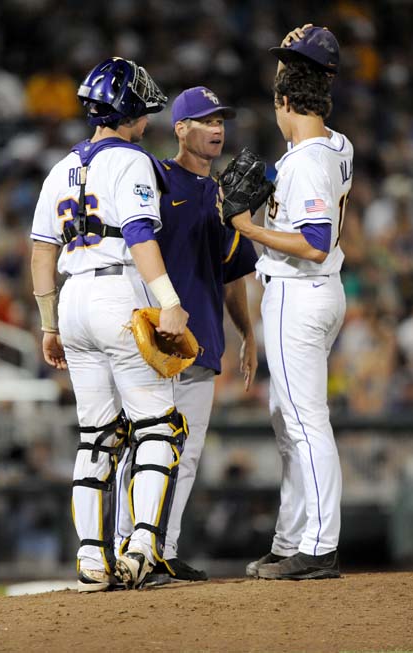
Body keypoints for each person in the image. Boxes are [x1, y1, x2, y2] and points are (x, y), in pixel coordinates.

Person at [30, 57, 190, 592]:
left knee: (96, 436)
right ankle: (142, 546)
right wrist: (168, 300)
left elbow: (39, 252)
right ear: (130, 110)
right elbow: (141, 234)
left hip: (72, 298)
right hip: (117, 288)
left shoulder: (60, 168)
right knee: (157, 427)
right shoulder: (132, 161)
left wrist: (49, 324)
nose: (147, 116)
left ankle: (90, 560)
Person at [115, 86, 259, 584]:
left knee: (188, 453)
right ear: (180, 128)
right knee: (142, 446)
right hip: (152, 340)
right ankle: (123, 550)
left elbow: (234, 273)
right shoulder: (153, 177)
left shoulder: (226, 195)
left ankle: (162, 550)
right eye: (205, 120)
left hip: (203, 342)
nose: (217, 128)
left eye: (221, 119)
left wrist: (247, 334)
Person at [228, 25, 352, 580]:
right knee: (288, 420)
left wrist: (249, 228)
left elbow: (315, 240)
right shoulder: (336, 145)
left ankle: (319, 546)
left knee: (305, 423)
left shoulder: (306, 161)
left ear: (283, 102)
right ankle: (289, 539)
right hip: (315, 294)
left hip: (300, 292)